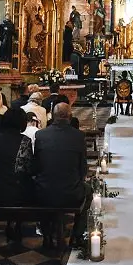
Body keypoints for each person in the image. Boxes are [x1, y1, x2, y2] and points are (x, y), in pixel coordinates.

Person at [33, 103, 88, 249]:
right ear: (70, 116)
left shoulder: (41, 135)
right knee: (89, 192)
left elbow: (36, 166)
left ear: (53, 115)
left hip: (44, 191)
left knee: (43, 190)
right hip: (71, 193)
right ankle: (77, 235)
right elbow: (83, 168)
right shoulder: (78, 136)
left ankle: (47, 235)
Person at [0, 107, 35, 241]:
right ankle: (17, 224)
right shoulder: (25, 140)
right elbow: (29, 168)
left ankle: (12, 223)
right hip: (17, 192)